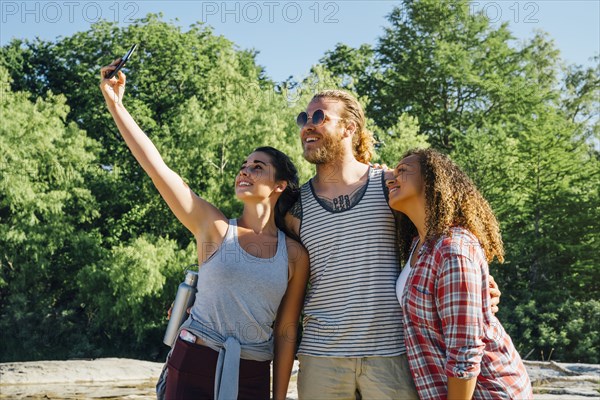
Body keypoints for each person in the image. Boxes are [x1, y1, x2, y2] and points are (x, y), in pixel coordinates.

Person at [100, 61, 309, 400]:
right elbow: (157, 169)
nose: (245, 172)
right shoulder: (213, 227)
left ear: (280, 185)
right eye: (243, 167)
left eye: (258, 168)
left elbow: (286, 333)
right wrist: (116, 103)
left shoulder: (295, 255)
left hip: (254, 372)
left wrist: (280, 396)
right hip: (194, 360)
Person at [284, 89, 501, 399]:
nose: (307, 125)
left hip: (392, 355)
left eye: (319, 117)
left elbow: (443, 237)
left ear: (350, 128)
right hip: (321, 357)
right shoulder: (294, 207)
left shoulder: (391, 186)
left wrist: (483, 288)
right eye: (304, 118)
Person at [386, 148, 533, 399]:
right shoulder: (419, 245)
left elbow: (465, 353)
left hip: (489, 392)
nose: (392, 178)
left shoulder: (453, 250)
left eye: (403, 171)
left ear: (431, 181)